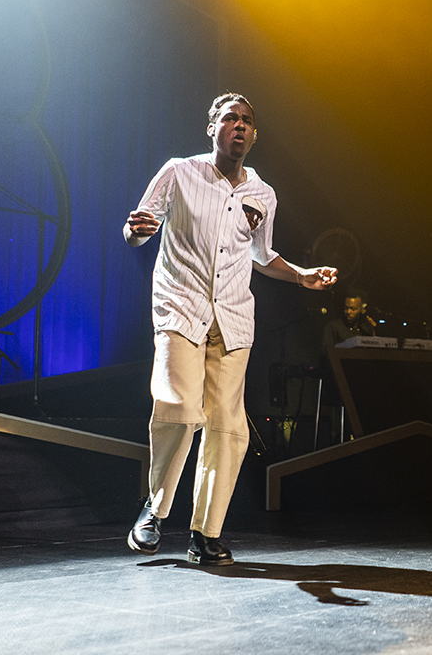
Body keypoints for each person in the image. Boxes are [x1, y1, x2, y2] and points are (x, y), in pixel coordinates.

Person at [124, 92, 337, 566]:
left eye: (246, 120)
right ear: (211, 128)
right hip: (181, 307)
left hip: (234, 318)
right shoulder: (179, 172)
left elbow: (262, 254)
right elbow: (138, 229)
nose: (238, 125)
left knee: (227, 425)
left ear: (254, 135)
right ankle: (155, 509)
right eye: (229, 118)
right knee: (179, 407)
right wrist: (136, 231)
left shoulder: (263, 194)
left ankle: (205, 533)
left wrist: (301, 275)